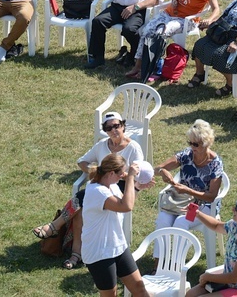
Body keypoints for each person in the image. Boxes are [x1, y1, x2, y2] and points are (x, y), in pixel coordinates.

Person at [32, 112, 149, 270]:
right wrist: (95, 172)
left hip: (121, 189)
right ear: (105, 130)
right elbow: (82, 161)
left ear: (123, 126)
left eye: (117, 126)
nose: (114, 130)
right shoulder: (102, 145)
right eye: (109, 128)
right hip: (101, 186)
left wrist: (120, 175)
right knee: (80, 210)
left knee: (82, 196)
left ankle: (55, 228)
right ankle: (76, 253)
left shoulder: (133, 148)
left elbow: (139, 174)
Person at [125, 0, 221, 79]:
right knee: (146, 30)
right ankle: (138, 66)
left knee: (160, 33)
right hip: (170, 13)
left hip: (187, 20)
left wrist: (209, 19)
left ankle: (152, 68)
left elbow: (216, 9)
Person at [153, 120, 224, 264]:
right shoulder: (186, 155)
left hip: (202, 206)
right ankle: (159, 263)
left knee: (181, 222)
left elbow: (211, 196)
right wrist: (162, 171)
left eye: (196, 144)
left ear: (207, 143)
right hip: (181, 201)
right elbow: (156, 169)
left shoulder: (215, 164)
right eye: (190, 142)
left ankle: (177, 265)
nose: (192, 147)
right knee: (162, 220)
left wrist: (188, 190)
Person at [81, 154, 149, 297]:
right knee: (110, 295)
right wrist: (130, 177)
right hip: (99, 252)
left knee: (140, 289)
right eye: (120, 173)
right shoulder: (96, 191)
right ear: (111, 173)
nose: (122, 176)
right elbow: (126, 206)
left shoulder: (111, 186)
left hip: (117, 246)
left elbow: (124, 203)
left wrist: (136, 188)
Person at [186, 195, 237, 297]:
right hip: (230, 284)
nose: (232, 209)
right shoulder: (235, 226)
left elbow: (233, 278)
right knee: (190, 294)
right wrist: (197, 213)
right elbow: (216, 225)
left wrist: (207, 276)